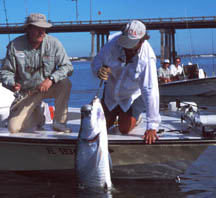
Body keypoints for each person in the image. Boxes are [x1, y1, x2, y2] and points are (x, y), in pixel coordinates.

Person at [0, 13, 73, 133]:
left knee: (65, 82)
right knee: (13, 128)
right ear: (28, 29)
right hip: (27, 93)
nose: (42, 32)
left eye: (43, 29)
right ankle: (39, 115)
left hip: (48, 87)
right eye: (37, 29)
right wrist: (12, 83)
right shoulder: (14, 46)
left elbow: (68, 67)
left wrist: (51, 79)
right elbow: (6, 72)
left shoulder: (54, 43)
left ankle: (59, 122)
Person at [91, 20, 161, 144]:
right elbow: (97, 61)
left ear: (142, 41)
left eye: (132, 44)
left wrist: (152, 126)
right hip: (111, 94)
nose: (128, 48)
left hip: (133, 96)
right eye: (126, 42)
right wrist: (98, 70)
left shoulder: (148, 57)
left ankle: (136, 117)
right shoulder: (112, 43)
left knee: (124, 128)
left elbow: (150, 90)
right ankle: (115, 114)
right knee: (99, 127)